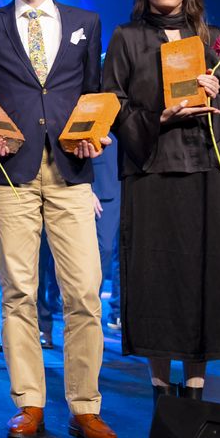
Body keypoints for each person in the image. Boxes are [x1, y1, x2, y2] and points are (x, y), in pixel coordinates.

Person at [0, 0, 116, 438]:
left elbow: (95, 95)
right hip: (10, 174)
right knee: (19, 294)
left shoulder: (85, 23)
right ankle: (29, 403)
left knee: (83, 296)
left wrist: (98, 135)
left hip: (72, 174)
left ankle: (85, 408)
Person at [103, 0, 220, 402]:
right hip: (151, 171)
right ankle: (163, 391)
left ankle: (197, 392)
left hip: (204, 170)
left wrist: (215, 96)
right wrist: (159, 118)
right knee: (156, 279)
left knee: (203, 278)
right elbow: (112, 102)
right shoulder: (126, 37)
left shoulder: (215, 39)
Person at [91, 137, 122, 332]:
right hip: (102, 183)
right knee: (103, 251)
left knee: (128, 252)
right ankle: (89, 320)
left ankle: (119, 312)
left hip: (131, 180)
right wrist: (87, 187)